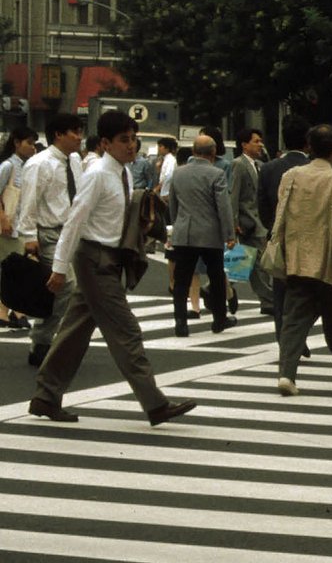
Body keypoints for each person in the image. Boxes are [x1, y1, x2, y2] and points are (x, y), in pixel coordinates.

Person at [27, 109, 197, 426]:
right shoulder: (97, 175)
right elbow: (74, 222)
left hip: (108, 258)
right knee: (126, 332)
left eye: (134, 139)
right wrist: (60, 267)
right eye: (123, 140)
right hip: (94, 259)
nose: (131, 146)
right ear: (105, 143)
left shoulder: (123, 171)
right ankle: (155, 404)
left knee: (75, 330)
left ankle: (45, 396)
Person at [268, 124, 332, 397]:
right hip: (328, 262)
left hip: (296, 258)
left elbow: (280, 214)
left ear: (309, 147)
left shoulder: (291, 176)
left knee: (294, 320)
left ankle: (287, 373)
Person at [15, 114, 86, 366]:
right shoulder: (39, 163)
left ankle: (51, 341)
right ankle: (42, 341)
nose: (80, 137)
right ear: (58, 134)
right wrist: (29, 236)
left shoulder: (75, 160)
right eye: (74, 132)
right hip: (49, 232)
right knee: (65, 284)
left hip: (73, 231)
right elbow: (29, 201)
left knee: (70, 290)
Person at [167, 135, 237, 337]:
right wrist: (229, 233)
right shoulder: (216, 174)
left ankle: (180, 322)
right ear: (213, 152)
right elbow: (223, 206)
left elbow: (173, 204)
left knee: (182, 279)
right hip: (210, 233)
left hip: (185, 232)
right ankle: (219, 319)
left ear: (194, 151)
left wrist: (177, 224)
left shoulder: (178, 173)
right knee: (216, 277)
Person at [258, 116, 313, 347]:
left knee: (280, 290)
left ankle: (284, 338)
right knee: (307, 292)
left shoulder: (269, 168)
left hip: (279, 236)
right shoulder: (314, 170)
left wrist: (273, 228)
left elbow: (262, 205)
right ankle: (300, 337)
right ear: (307, 143)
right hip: (310, 239)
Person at [229, 127, 274, 315]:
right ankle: (268, 299)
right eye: (256, 141)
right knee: (258, 262)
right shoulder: (238, 164)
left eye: (261, 141)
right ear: (244, 144)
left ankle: (215, 287)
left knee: (245, 259)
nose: (260, 144)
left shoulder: (261, 165)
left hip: (259, 221)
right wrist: (233, 222)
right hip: (247, 221)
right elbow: (233, 194)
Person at [0, 126, 39, 331]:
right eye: (29, 143)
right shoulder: (8, 166)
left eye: (34, 144)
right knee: (14, 269)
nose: (32, 148)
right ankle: (14, 312)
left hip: (20, 227)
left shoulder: (27, 166)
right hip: (7, 228)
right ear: (16, 143)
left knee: (14, 270)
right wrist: (4, 219)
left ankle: (10, 312)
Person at [154, 135, 178, 208]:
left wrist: (157, 188)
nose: (158, 149)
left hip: (166, 193)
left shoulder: (170, 160)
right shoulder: (164, 159)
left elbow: (168, 176)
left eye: (161, 146)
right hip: (163, 191)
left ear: (167, 148)